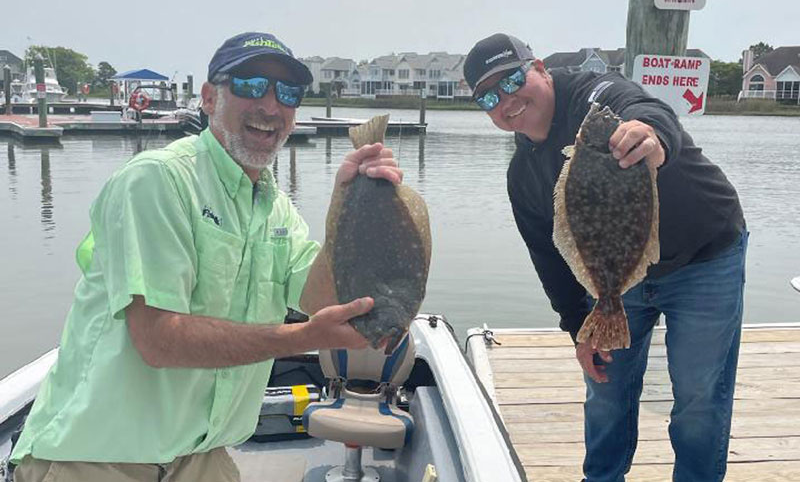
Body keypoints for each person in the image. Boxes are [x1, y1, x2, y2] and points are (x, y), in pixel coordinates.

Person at [11, 31, 403, 482]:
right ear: (209, 97)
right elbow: (158, 339)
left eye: (288, 93)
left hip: (198, 455)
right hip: (96, 455)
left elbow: (320, 297)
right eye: (251, 86)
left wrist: (348, 202)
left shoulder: (274, 206)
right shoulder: (157, 181)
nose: (271, 106)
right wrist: (303, 338)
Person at [463, 33, 747, 482]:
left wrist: (651, 136)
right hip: (619, 278)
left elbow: (643, 108)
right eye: (490, 97)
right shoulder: (523, 175)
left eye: (512, 79)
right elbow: (550, 258)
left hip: (705, 254)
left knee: (699, 396)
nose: (507, 100)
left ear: (538, 67)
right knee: (606, 393)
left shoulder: (594, 99)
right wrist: (579, 327)